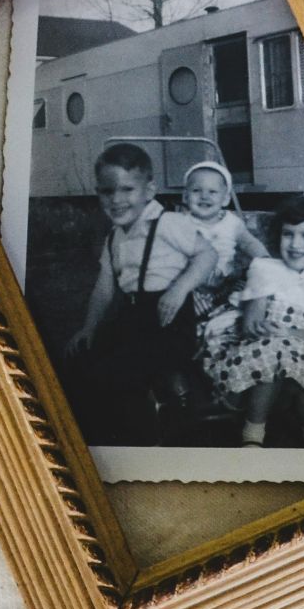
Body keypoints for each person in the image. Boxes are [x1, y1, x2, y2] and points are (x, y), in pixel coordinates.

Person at [64, 144, 218, 444]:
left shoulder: (168, 223)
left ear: (149, 190)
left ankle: (151, 433)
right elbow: (104, 287)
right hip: (133, 318)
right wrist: (90, 327)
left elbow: (207, 255)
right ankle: (96, 434)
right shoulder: (114, 237)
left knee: (116, 375)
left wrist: (179, 289)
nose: (117, 200)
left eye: (127, 190)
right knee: (78, 361)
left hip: (169, 320)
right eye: (107, 192)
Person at [204, 194, 304, 449]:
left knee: (286, 351)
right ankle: (252, 435)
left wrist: (290, 338)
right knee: (276, 350)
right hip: (253, 377)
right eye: (288, 234)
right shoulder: (266, 270)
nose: (295, 244)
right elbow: (250, 330)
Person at [178, 160, 269, 317]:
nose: (204, 196)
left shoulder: (232, 222)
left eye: (212, 192)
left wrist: (264, 257)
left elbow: (248, 242)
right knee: (185, 299)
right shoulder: (180, 223)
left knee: (245, 290)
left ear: (225, 199)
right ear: (185, 197)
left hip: (227, 281)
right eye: (196, 190)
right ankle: (206, 320)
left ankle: (225, 315)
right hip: (195, 284)